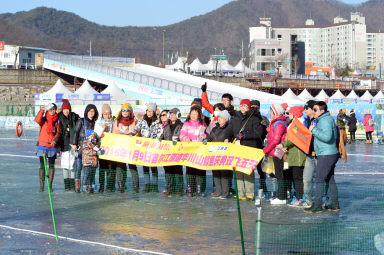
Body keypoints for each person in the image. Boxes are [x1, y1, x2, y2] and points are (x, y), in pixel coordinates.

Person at [305, 101, 340, 213]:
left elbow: (327, 137)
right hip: (329, 152)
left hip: (326, 154)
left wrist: (313, 130)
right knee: (330, 178)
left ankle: (318, 204)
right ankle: (335, 203)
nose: (313, 111)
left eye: (315, 110)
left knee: (319, 178)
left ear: (322, 111)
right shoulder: (325, 119)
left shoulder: (324, 120)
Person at [232, 99, 264, 201]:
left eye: (245, 106)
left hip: (250, 147)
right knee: (238, 171)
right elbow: (230, 130)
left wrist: (246, 135)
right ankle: (240, 193)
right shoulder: (235, 118)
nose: (243, 108)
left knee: (248, 170)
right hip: (237, 148)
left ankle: (250, 193)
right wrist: (227, 138)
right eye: (241, 106)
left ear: (249, 107)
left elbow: (259, 133)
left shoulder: (254, 118)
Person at [276, 105, 306, 207]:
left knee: (298, 177)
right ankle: (297, 196)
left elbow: (294, 139)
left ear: (294, 114)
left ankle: (300, 198)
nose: (287, 115)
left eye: (289, 113)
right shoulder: (294, 123)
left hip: (297, 155)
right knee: (294, 177)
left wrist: (283, 145)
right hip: (291, 154)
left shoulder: (298, 124)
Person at [130, 103, 163, 193]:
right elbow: (136, 129)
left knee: (153, 166)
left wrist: (159, 138)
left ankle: (155, 185)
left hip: (154, 146)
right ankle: (147, 184)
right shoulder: (142, 121)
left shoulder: (158, 122)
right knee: (145, 166)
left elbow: (160, 132)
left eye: (151, 111)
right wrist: (131, 134)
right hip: (144, 147)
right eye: (148, 111)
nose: (149, 113)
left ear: (154, 112)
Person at [204, 110, 234, 199]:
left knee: (224, 173)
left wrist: (229, 140)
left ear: (226, 119)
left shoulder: (229, 128)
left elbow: (231, 137)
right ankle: (218, 191)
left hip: (224, 154)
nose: (219, 119)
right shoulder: (215, 128)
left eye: (222, 118)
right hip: (214, 154)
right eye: (219, 117)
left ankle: (225, 192)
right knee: (216, 173)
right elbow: (210, 137)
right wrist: (206, 140)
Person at [180, 105, 208, 197]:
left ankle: (199, 190)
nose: (193, 115)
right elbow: (182, 135)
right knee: (190, 170)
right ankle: (189, 189)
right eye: (192, 114)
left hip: (200, 151)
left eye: (195, 114)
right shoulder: (186, 124)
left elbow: (206, 135)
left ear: (199, 115)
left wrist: (203, 138)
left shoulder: (202, 124)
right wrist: (186, 138)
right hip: (190, 151)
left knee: (199, 170)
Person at [263, 104, 288, 205]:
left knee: (279, 173)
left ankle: (282, 197)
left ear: (275, 112)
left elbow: (276, 140)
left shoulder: (279, 123)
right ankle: (281, 195)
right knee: (277, 173)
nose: (270, 113)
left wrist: (266, 150)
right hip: (275, 151)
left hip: (279, 151)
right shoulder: (275, 123)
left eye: (271, 111)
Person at [72, 104, 99, 193]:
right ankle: (77, 186)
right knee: (79, 167)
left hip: (91, 150)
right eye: (90, 111)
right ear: (86, 112)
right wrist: (74, 143)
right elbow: (76, 132)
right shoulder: (81, 121)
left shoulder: (95, 123)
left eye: (93, 111)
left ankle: (87, 186)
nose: (91, 113)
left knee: (89, 168)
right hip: (81, 148)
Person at [35, 103, 61, 192]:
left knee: (51, 166)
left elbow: (58, 132)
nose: (52, 111)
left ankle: (49, 185)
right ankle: (41, 185)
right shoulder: (44, 119)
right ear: (47, 110)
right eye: (50, 109)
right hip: (42, 146)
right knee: (42, 165)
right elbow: (37, 119)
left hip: (52, 146)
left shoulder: (57, 121)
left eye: (54, 109)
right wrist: (42, 110)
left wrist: (55, 140)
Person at [113, 103, 137, 193]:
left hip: (131, 146)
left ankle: (135, 186)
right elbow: (114, 132)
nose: (125, 112)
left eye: (127, 110)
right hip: (120, 146)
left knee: (132, 166)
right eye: (123, 110)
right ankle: (121, 185)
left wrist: (131, 134)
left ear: (130, 111)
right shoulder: (117, 121)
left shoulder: (134, 120)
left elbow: (137, 132)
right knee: (120, 166)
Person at [57, 99, 79, 191]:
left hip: (73, 144)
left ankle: (72, 185)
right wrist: (58, 149)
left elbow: (78, 129)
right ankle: (67, 185)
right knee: (65, 165)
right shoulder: (59, 118)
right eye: (64, 109)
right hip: (64, 145)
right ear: (62, 110)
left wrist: (76, 143)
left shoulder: (74, 117)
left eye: (67, 109)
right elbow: (58, 133)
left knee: (73, 165)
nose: (66, 111)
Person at [162, 108, 184, 196]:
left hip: (177, 151)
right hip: (167, 152)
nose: (171, 116)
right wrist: (160, 138)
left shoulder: (182, 125)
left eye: (173, 114)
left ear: (178, 115)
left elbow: (183, 136)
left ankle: (179, 189)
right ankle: (169, 188)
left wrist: (178, 140)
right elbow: (163, 135)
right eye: (170, 114)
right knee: (168, 170)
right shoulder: (166, 126)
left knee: (177, 170)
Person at [94, 104, 115, 192]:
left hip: (112, 147)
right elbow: (96, 135)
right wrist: (102, 129)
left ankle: (110, 186)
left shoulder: (114, 122)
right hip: (101, 147)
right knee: (102, 167)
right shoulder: (98, 122)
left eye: (109, 114)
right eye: (105, 114)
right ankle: (101, 185)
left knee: (111, 167)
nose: (107, 116)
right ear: (102, 114)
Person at [301, 100, 317, 208]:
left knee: (322, 178)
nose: (305, 110)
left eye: (307, 108)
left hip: (319, 154)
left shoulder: (319, 120)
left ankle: (324, 198)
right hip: (309, 154)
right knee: (306, 178)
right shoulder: (305, 121)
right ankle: (309, 200)